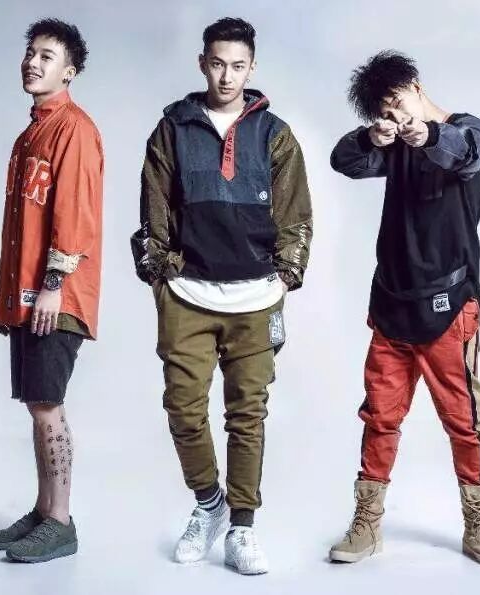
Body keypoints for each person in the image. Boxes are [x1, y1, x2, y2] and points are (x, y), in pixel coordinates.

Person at [131, 17, 312, 575]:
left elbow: (296, 216)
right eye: (217, 64)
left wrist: (285, 277)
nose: (226, 76)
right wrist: (161, 275)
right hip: (187, 294)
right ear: (202, 63)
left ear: (251, 67)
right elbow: (153, 208)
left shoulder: (275, 133)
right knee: (183, 408)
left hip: (255, 299)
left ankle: (242, 527)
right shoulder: (173, 129)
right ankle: (209, 504)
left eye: (237, 66)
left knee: (247, 416)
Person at [328, 50, 480, 567]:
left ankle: (478, 522)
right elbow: (344, 161)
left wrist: (426, 135)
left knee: (464, 420)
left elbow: (466, 152)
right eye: (385, 109)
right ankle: (367, 522)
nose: (396, 113)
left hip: (448, 308)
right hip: (392, 307)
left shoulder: (468, 130)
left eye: (397, 100)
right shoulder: (391, 146)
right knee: (380, 417)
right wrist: (372, 137)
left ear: (416, 86)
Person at [0, 18, 103, 563]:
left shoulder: (73, 128)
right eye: (30, 53)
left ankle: (60, 522)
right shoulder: (28, 135)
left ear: (69, 71)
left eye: (47, 56)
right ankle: (43, 510)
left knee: (48, 404)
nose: (32, 62)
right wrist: (6, 295)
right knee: (37, 403)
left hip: (59, 296)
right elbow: (19, 228)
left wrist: (54, 284)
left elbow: (75, 214)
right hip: (29, 296)